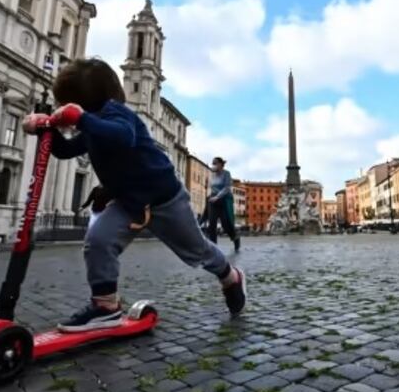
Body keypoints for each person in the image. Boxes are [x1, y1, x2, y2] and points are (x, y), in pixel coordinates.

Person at [23, 58, 246, 332]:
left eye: (66, 103)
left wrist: (81, 118)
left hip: (165, 199)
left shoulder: (119, 114)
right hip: (128, 201)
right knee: (98, 241)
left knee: (197, 250)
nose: (63, 109)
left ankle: (230, 277)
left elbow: (121, 137)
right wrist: (46, 130)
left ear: (83, 99)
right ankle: (106, 307)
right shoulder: (91, 126)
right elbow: (65, 150)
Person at [207, 157, 241, 252]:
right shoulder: (212, 175)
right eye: (213, 163)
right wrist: (211, 196)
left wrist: (217, 196)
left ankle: (235, 238)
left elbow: (227, 188)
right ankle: (213, 248)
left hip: (223, 200)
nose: (213, 165)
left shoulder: (226, 173)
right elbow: (211, 187)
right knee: (212, 224)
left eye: (215, 163)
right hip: (213, 201)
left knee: (226, 224)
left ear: (221, 165)